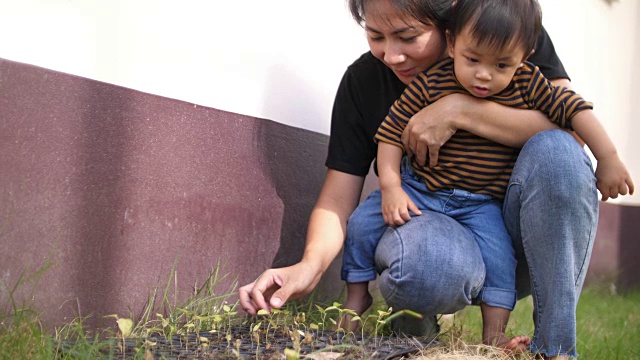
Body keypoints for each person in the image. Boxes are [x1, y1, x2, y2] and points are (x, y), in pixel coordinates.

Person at [238, 0, 629, 358]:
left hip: (513, 234)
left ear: (450, 25)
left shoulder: (505, 28)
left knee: (558, 155)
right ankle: (412, 327)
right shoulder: (366, 81)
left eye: (407, 36)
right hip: (432, 223)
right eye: (375, 36)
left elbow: (570, 133)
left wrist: (461, 110)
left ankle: (554, 349)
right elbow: (339, 198)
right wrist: (309, 266)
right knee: (426, 263)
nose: (391, 55)